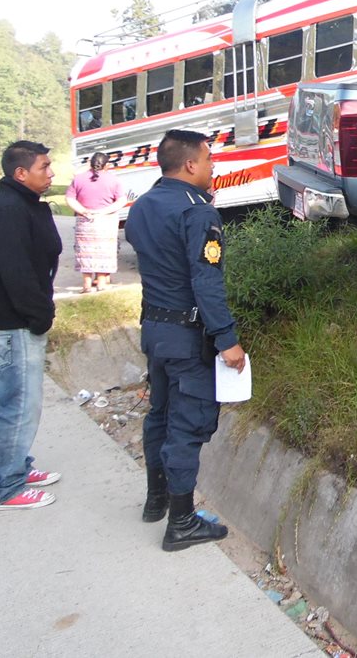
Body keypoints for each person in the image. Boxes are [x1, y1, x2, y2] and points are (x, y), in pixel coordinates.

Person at [125, 129, 247, 552]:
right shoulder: (197, 212)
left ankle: (156, 500)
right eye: (210, 160)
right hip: (186, 335)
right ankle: (181, 523)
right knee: (186, 424)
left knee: (158, 415)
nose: (214, 168)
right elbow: (205, 281)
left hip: (155, 331)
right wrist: (227, 339)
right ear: (191, 164)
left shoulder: (142, 206)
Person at [0, 140, 63, 510]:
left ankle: (17, 466)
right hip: (14, 327)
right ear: (20, 173)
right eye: (44, 167)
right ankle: (6, 488)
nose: (51, 173)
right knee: (19, 405)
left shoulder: (22, 205)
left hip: (18, 324)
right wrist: (39, 316)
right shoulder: (8, 210)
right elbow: (18, 275)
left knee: (18, 403)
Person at [65, 152, 125, 293]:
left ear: (90, 164)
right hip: (106, 221)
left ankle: (86, 284)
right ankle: (101, 283)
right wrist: (104, 211)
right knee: (104, 252)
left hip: (85, 221)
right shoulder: (113, 180)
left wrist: (83, 210)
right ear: (107, 165)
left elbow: (69, 198)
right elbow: (121, 200)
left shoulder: (79, 179)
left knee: (85, 253)